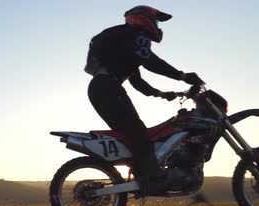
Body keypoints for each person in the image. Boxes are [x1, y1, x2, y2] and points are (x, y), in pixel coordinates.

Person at [85, 5, 204, 195]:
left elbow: (138, 81)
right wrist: (183, 76)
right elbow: (151, 62)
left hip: (103, 88)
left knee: (133, 134)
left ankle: (143, 176)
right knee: (138, 133)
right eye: (155, 21)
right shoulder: (132, 36)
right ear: (142, 18)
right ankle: (153, 180)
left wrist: (162, 94)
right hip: (107, 88)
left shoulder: (124, 43)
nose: (156, 25)